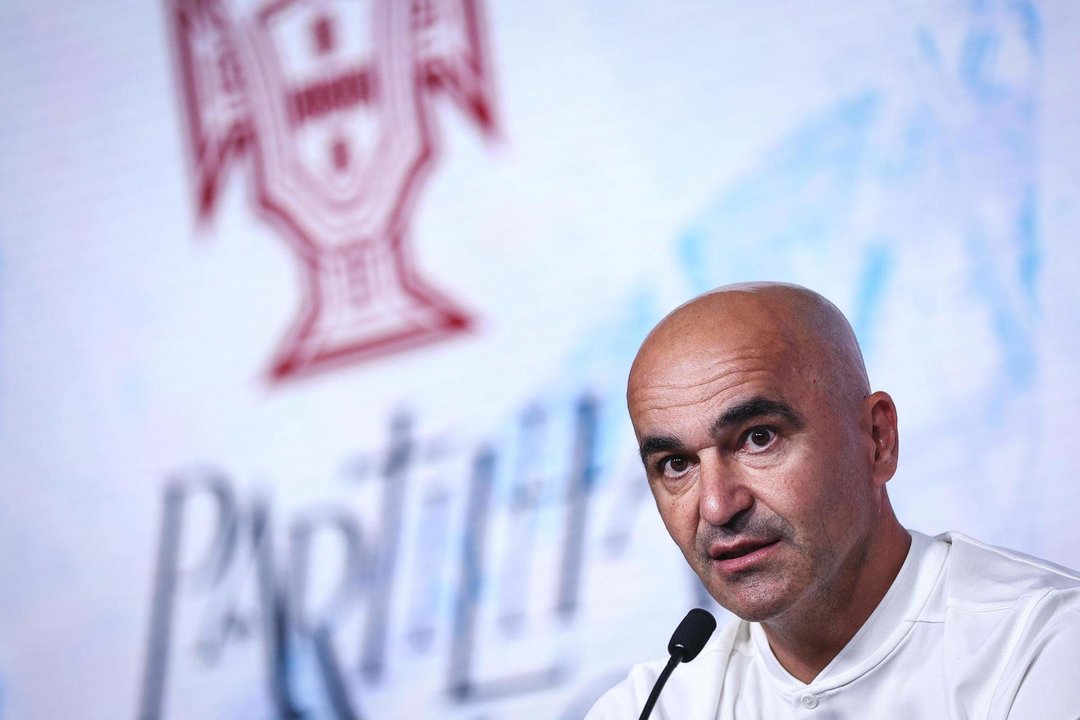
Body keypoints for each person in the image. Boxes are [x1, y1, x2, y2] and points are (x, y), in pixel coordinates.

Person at [586, 282, 1080, 719]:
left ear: (877, 438)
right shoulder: (649, 707)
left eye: (759, 438)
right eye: (676, 464)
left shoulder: (1044, 647)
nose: (717, 506)